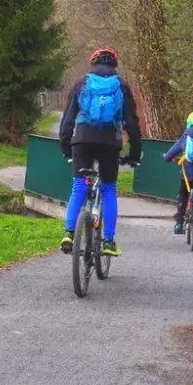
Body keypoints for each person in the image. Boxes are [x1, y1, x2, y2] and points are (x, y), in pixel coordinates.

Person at [58, 48, 142, 257]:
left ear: (92, 64)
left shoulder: (81, 84)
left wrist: (66, 148)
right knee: (108, 189)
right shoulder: (121, 86)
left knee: (79, 186)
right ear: (114, 65)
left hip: (82, 141)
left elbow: (67, 121)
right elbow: (132, 123)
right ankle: (109, 241)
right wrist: (134, 153)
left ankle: (69, 233)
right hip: (109, 143)